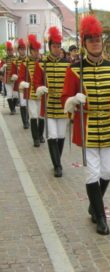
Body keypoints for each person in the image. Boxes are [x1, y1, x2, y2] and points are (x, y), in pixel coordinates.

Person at [61, 15, 110, 236]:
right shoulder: (74, 70)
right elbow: (65, 99)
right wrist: (73, 101)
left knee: (107, 172)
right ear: (84, 43)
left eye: (98, 39)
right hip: (87, 127)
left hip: (109, 128)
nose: (95, 43)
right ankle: (100, 218)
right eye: (91, 39)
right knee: (92, 173)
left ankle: (94, 204)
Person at [34, 26, 70, 177]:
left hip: (62, 106)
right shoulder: (41, 64)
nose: (57, 49)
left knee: (61, 136)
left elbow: (70, 84)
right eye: (54, 46)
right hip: (48, 105)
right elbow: (36, 82)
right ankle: (57, 166)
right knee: (52, 136)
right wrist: (40, 88)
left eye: (58, 46)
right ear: (49, 47)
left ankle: (57, 160)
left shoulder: (67, 64)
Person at [19, 35, 45, 147]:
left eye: (37, 50)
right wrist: (23, 83)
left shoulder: (43, 61)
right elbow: (21, 77)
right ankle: (36, 138)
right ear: (30, 50)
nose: (36, 52)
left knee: (41, 115)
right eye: (34, 50)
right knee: (34, 115)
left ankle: (40, 135)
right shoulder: (25, 62)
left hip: (41, 93)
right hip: (30, 92)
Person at [1, 41, 19, 114]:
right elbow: (0, 69)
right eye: (8, 50)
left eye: (11, 50)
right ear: (6, 51)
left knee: (15, 95)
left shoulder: (17, 58)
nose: (9, 51)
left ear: (13, 50)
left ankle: (13, 108)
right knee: (9, 94)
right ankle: (12, 110)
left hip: (15, 80)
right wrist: (2, 68)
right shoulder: (4, 59)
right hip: (7, 80)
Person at [15, 39, 30, 129]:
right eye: (21, 49)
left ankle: (28, 119)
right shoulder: (15, 61)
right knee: (23, 104)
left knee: (29, 104)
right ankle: (25, 122)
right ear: (18, 50)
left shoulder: (29, 60)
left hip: (29, 84)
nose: (22, 51)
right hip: (20, 85)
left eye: (24, 49)